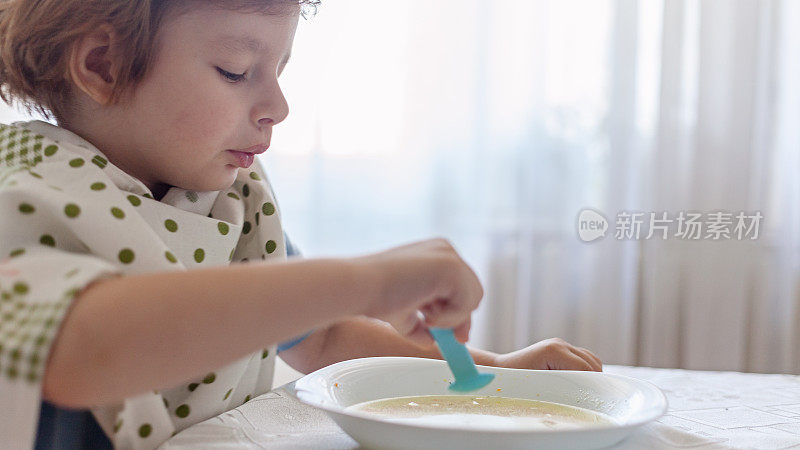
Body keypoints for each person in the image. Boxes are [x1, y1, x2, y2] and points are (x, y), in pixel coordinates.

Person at [0, 0, 603, 448]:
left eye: (280, 70)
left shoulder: (229, 204)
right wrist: (366, 279)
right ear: (102, 63)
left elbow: (323, 335)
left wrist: (494, 371)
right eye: (236, 71)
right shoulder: (24, 187)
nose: (279, 107)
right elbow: (82, 348)